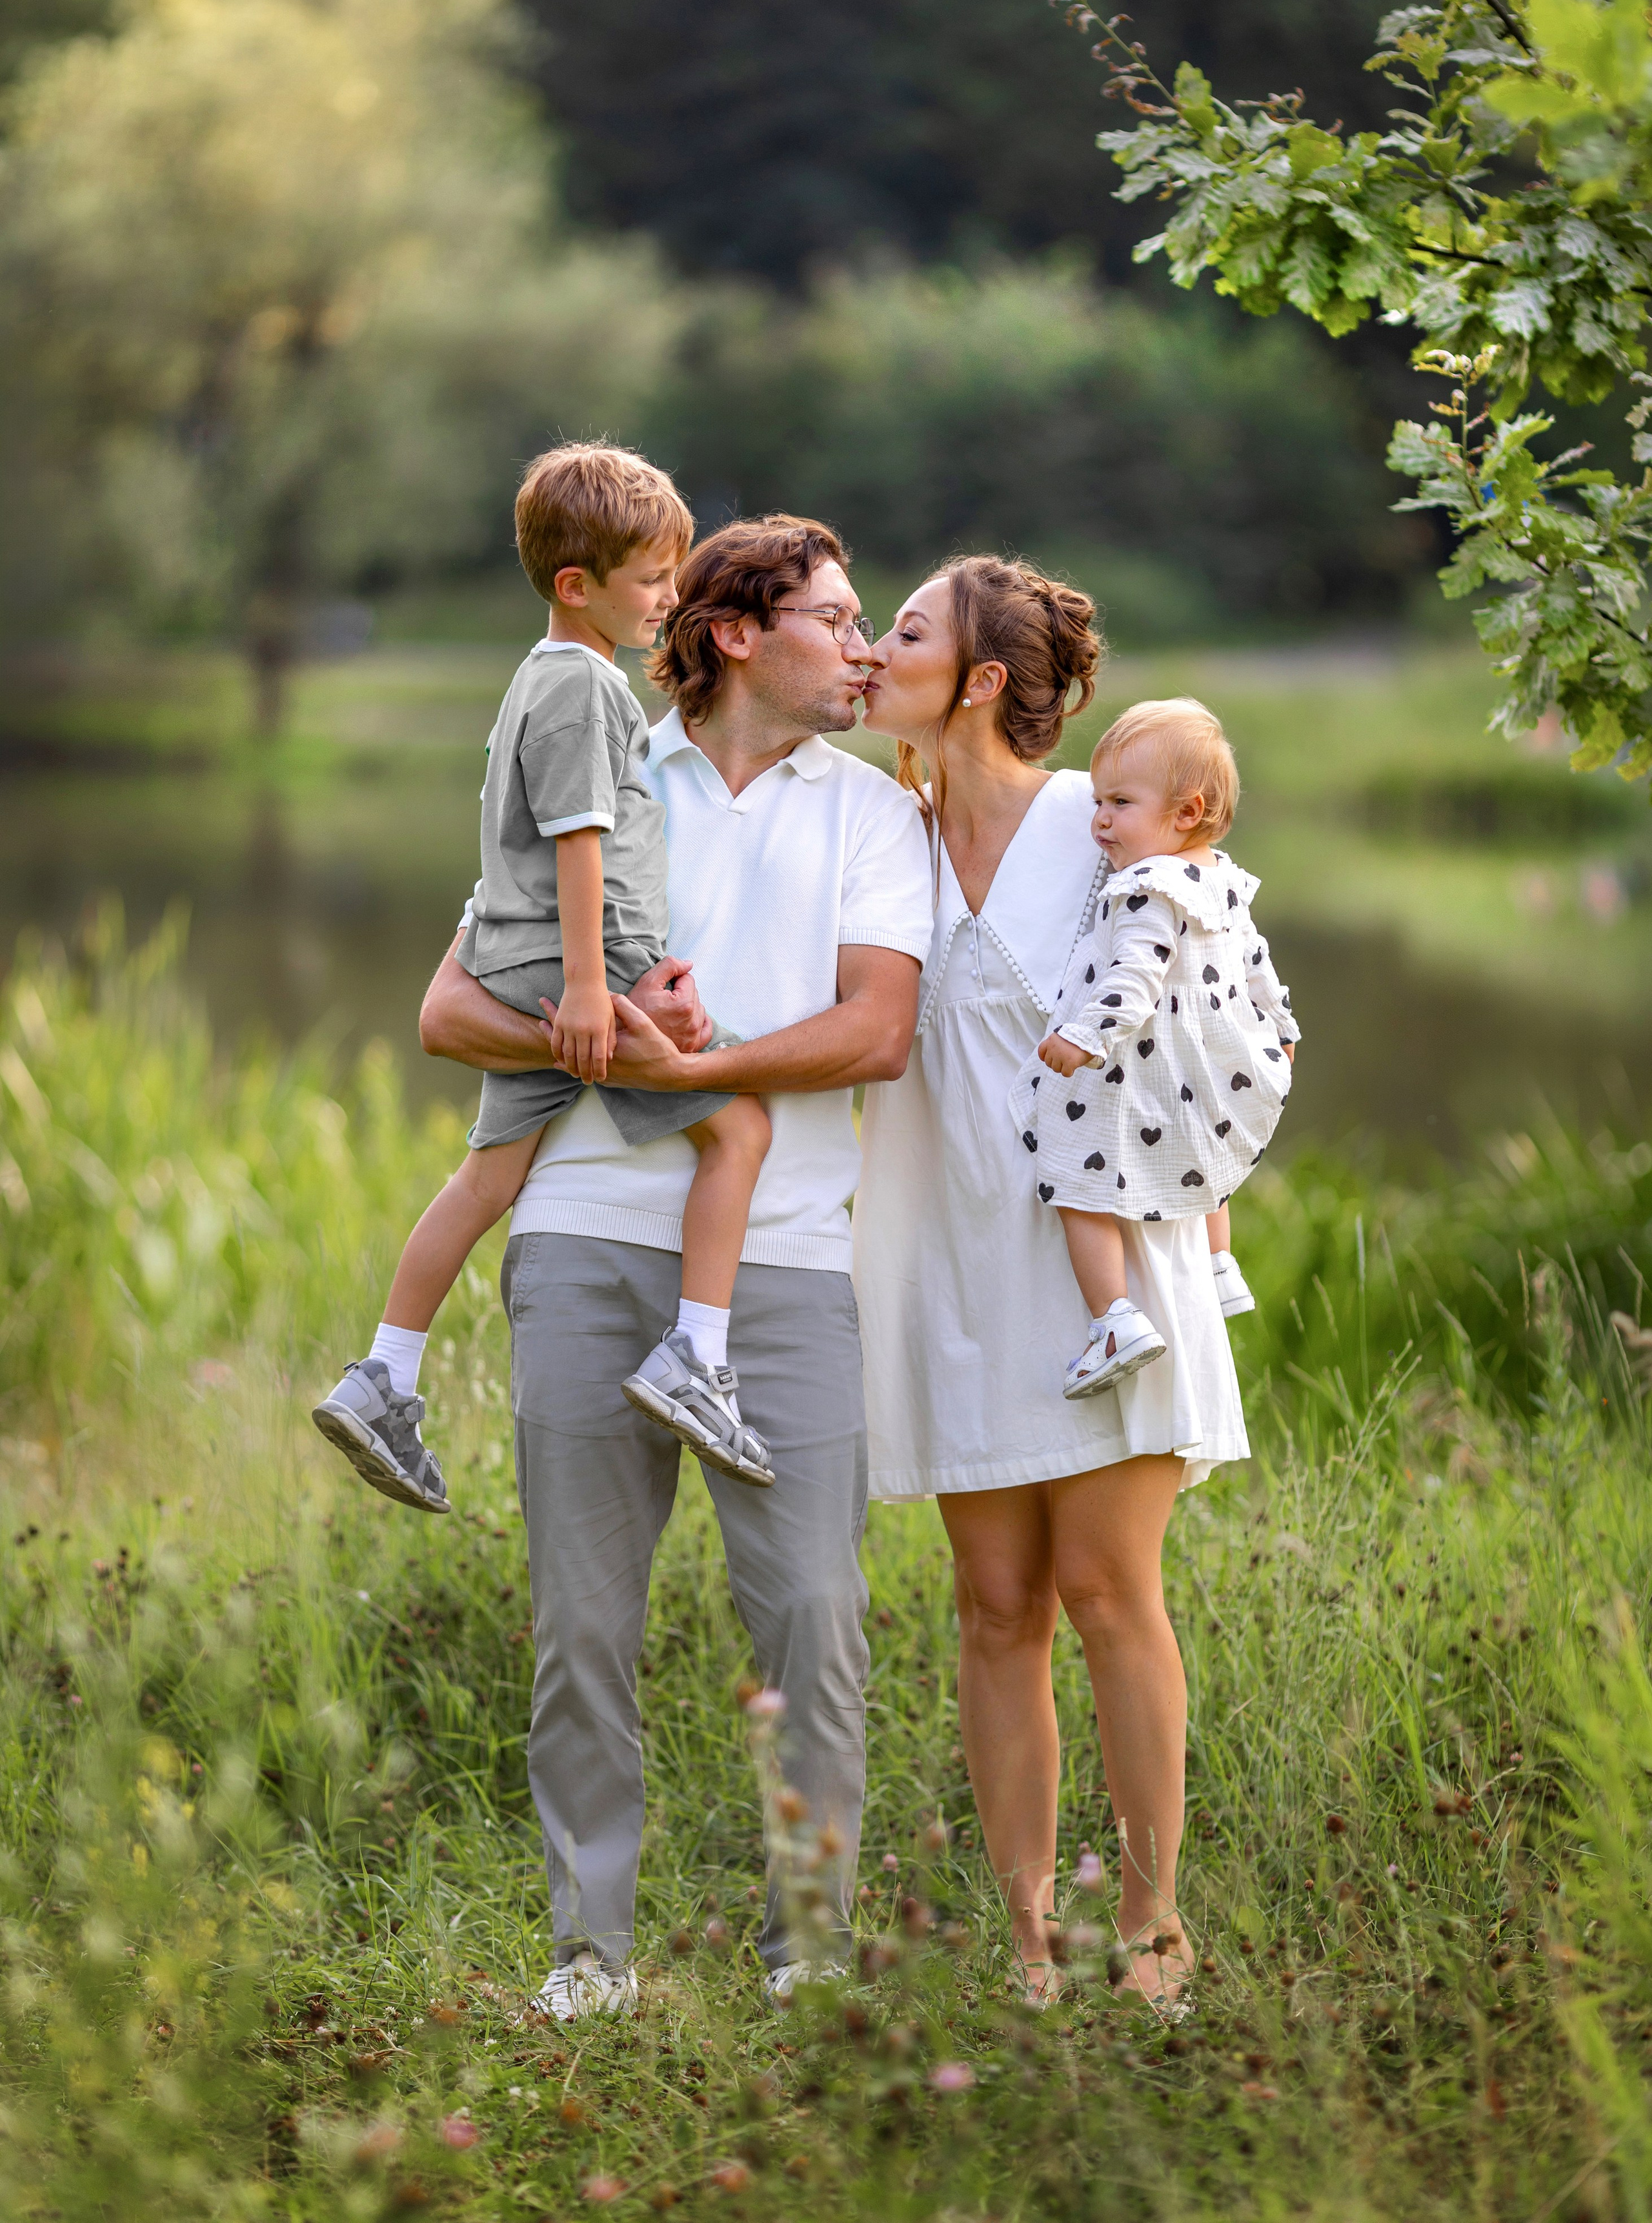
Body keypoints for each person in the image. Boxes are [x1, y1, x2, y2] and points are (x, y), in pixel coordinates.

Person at [419, 516, 933, 2018]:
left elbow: (876, 1033)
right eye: (833, 622)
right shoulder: (594, 768)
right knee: (582, 1619)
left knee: (814, 1619)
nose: (860, 649)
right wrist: (622, 1061)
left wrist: (702, 1071)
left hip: (783, 1266)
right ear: (730, 635)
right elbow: (452, 1008)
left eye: (864, 625)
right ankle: (590, 1952)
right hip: (580, 1241)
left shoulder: (870, 815)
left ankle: (809, 1949)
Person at [852, 557, 1250, 2014]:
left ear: (969, 681)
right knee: (991, 1602)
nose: (864, 647)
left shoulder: (1100, 835)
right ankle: (1026, 1945)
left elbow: (1216, 1024)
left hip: (1100, 1263)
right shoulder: (874, 835)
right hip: (950, 1262)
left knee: (1103, 1587)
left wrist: (1207, 1220)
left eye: (896, 630)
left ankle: (1150, 1928)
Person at [312, 447, 778, 1512]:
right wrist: (587, 986)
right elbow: (578, 838)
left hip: (525, 954)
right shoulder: (583, 685)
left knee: (488, 1176)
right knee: (742, 1126)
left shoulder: (539, 674)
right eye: (654, 579)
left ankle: (385, 1371)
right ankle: (697, 1354)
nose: (671, 597)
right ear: (579, 585)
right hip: (576, 960)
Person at [1011, 697, 1299, 1398]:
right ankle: (1218, 1263)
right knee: (1205, 1146)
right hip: (1204, 1065)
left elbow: (1132, 980)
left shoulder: (1143, 885)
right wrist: (1283, 1029)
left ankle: (1113, 1320)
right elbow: (1258, 963)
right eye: (1098, 800)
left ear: (1186, 811)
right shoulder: (1222, 877)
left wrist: (1081, 1037)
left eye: (1119, 801)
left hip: (1135, 1063)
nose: (1099, 818)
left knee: (1076, 1183)